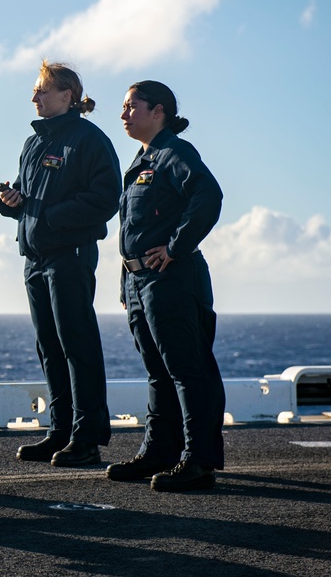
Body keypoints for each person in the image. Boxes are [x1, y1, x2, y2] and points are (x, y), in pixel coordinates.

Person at [0, 61, 121, 467]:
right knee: (50, 348)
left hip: (70, 255)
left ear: (67, 95)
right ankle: (60, 432)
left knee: (76, 346)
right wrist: (9, 202)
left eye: (41, 91)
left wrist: (48, 217)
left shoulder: (90, 140)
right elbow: (27, 199)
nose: (34, 98)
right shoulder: (34, 144)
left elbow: (104, 200)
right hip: (34, 258)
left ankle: (86, 438)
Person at [106, 80, 225, 492]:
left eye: (130, 106)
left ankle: (197, 461)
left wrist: (175, 247)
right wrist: (127, 283)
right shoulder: (142, 161)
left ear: (158, 111)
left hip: (172, 278)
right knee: (158, 372)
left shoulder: (175, 152)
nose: (123, 114)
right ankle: (160, 451)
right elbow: (135, 229)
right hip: (141, 282)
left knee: (186, 370)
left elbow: (208, 196)